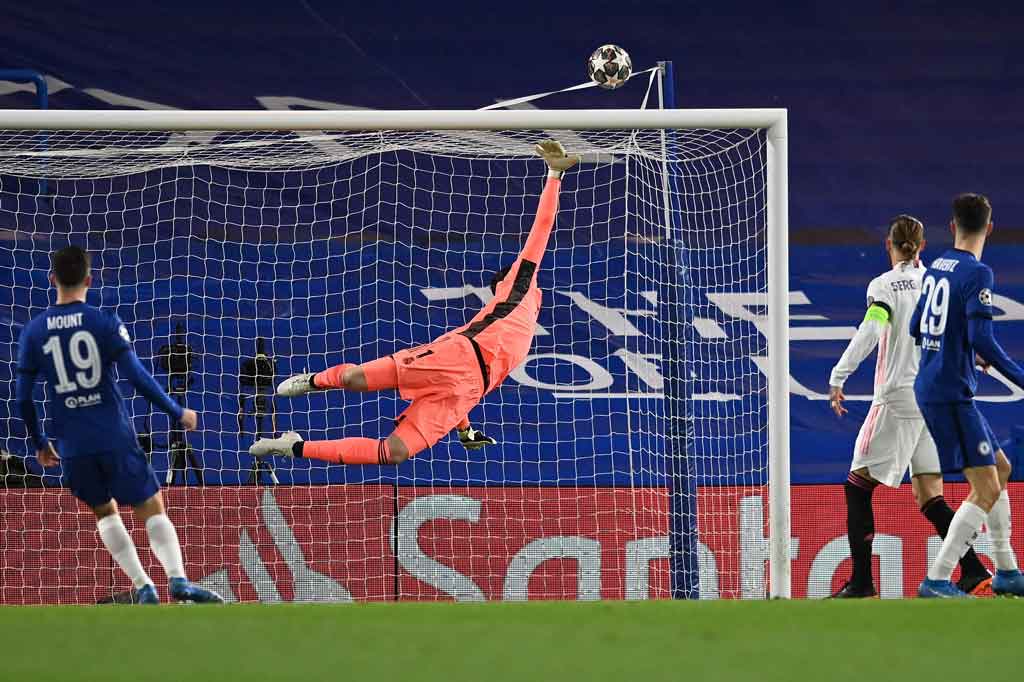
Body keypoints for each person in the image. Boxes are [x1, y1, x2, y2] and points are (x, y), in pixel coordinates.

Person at [250, 140, 578, 465]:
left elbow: (471, 378)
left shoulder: (522, 326)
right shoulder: (519, 286)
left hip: (468, 393)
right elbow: (542, 229)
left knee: (394, 453)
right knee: (354, 380)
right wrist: (553, 176)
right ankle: (313, 381)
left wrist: (465, 429)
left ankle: (292, 446)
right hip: (456, 356)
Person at [15, 246, 223, 605]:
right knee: (152, 506)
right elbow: (137, 376)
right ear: (89, 280)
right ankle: (178, 581)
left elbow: (23, 398)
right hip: (112, 434)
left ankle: (144, 587)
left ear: (52, 280)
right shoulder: (103, 322)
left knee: (104, 511)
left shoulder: (34, 333)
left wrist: (39, 442)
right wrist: (177, 411)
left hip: (72, 445)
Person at [828, 215, 992, 598]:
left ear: (890, 245)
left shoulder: (883, 286)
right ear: (921, 247)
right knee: (930, 495)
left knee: (857, 486)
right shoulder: (939, 282)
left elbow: (872, 328)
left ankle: (863, 584)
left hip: (898, 397)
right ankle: (973, 572)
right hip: (933, 400)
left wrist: (839, 376)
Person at [913, 194, 1024, 598]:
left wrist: (959, 349)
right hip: (949, 392)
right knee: (986, 487)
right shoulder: (978, 274)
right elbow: (983, 338)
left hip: (935, 382)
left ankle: (1008, 571)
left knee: (1002, 468)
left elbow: (915, 326)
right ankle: (937, 579)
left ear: (952, 223)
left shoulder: (936, 267)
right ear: (989, 228)